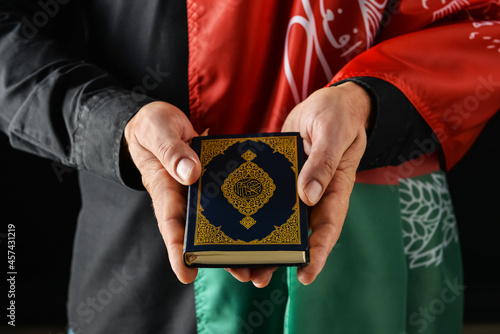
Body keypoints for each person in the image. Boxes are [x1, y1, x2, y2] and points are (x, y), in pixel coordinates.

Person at [1, 0, 499, 333]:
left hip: (371, 218)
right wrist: (115, 122)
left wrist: (370, 102)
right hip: (147, 240)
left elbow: (482, 20)